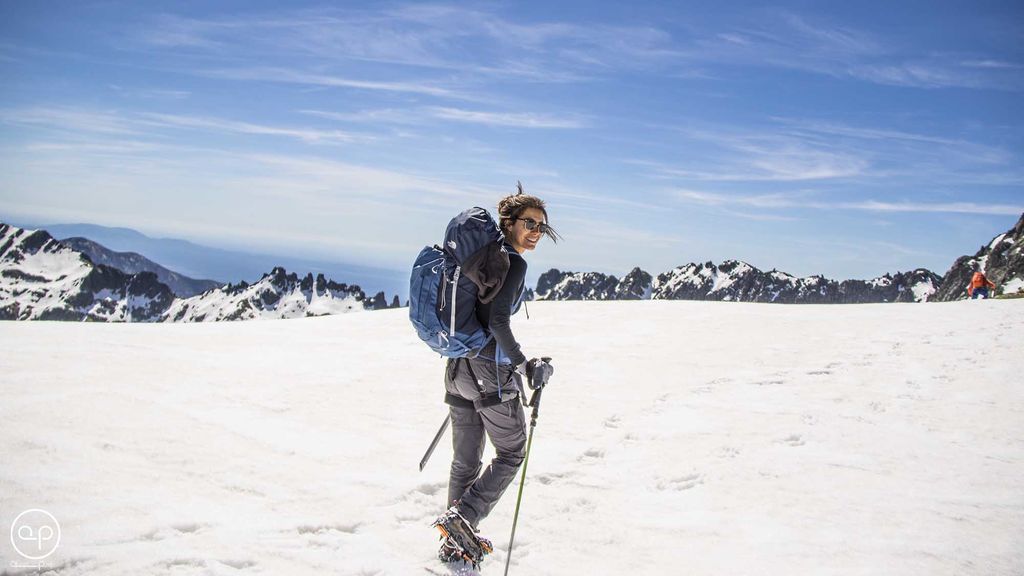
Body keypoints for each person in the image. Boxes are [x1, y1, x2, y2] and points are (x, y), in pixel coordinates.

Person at [433, 190, 558, 564]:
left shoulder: (481, 260)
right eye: (529, 223)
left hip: (457, 369)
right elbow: (499, 321)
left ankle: (455, 537)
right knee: (511, 452)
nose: (536, 231)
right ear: (509, 223)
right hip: (491, 373)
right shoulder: (512, 264)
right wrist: (525, 365)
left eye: (541, 225)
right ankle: (463, 519)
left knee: (465, 461)